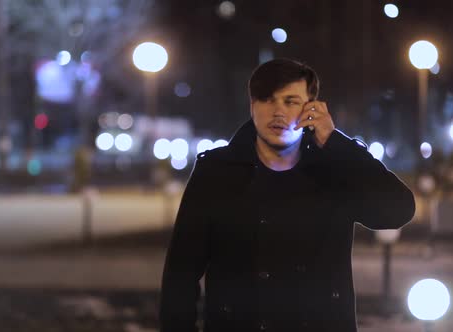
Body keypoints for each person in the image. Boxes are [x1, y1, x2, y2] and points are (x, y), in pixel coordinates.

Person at [159, 58, 415, 332]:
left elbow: (397, 209)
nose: (278, 111)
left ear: (311, 108)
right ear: (252, 106)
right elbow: (181, 273)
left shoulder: (334, 169)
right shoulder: (218, 172)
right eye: (267, 99)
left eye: (291, 101)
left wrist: (336, 143)